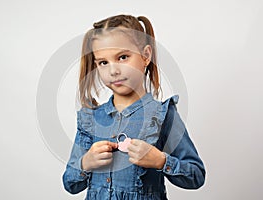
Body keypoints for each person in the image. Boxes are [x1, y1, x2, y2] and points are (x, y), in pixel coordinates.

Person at [62, 14, 205, 200]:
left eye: (122, 57)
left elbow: (196, 176)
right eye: (103, 62)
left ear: (145, 56)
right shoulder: (91, 119)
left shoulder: (162, 115)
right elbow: (70, 184)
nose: (113, 71)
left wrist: (161, 161)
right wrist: (85, 163)